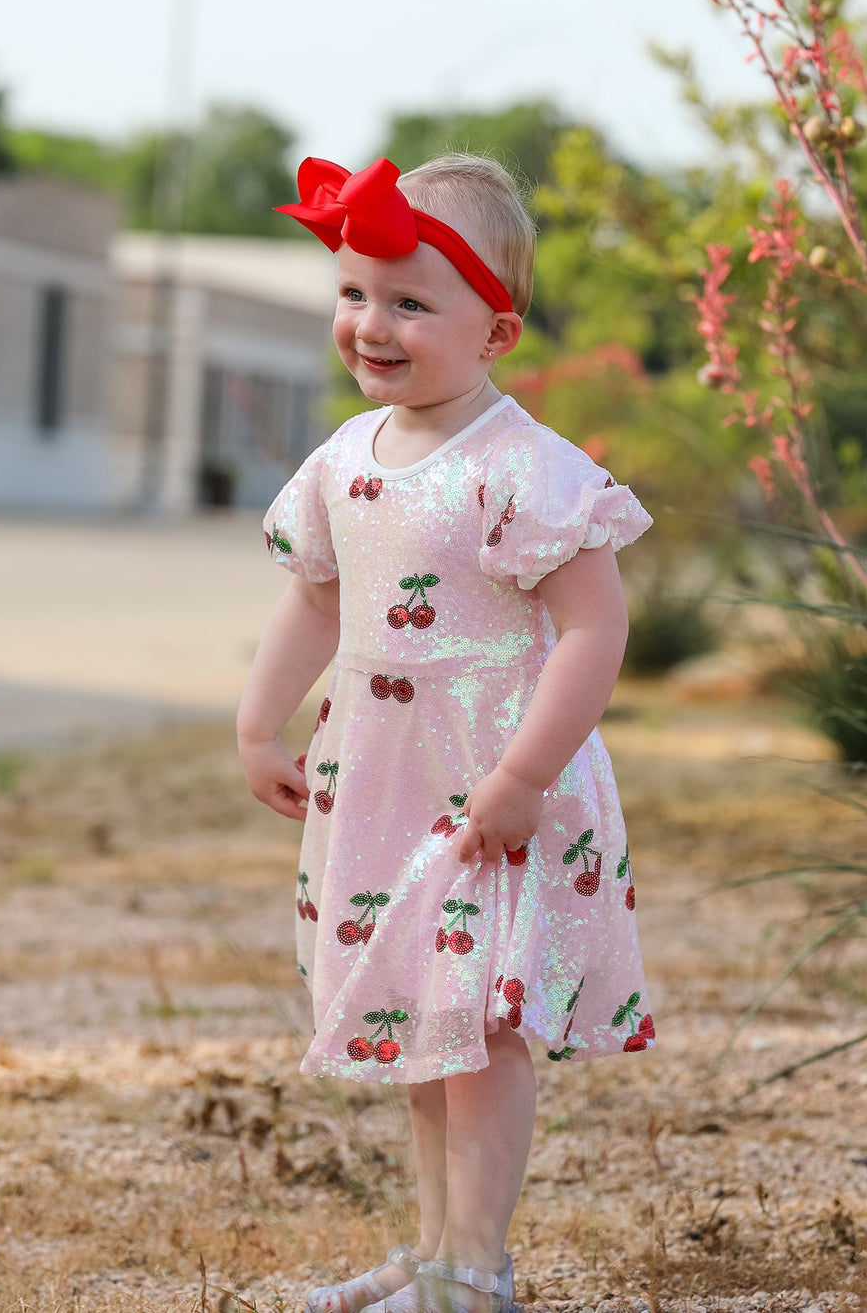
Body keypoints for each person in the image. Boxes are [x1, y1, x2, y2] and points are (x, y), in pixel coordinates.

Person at [237, 152, 655, 1313]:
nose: (372, 324)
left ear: (496, 332)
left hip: (489, 789)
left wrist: (525, 775)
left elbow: (590, 632)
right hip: (376, 781)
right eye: (356, 294)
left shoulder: (525, 468)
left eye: (411, 302)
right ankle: (432, 1252)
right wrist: (262, 722)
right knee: (417, 1028)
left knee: (474, 1029)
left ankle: (476, 1267)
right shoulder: (341, 463)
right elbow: (316, 598)